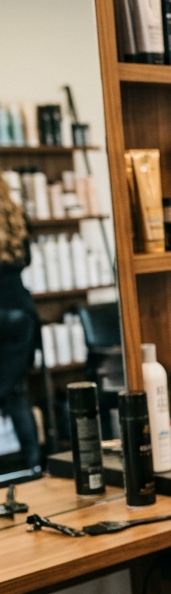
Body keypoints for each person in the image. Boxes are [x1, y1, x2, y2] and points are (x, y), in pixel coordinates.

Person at [0, 182, 42, 475]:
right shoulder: (14, 214)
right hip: (21, 310)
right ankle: (34, 464)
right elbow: (25, 260)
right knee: (16, 392)